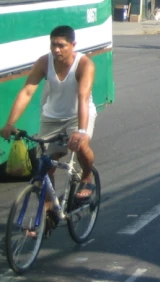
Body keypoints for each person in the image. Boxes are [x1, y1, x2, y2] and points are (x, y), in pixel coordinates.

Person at [1, 26, 97, 204]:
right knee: (44, 170)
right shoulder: (44, 62)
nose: (56, 50)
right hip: (51, 117)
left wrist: (81, 130)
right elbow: (27, 92)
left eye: (61, 45)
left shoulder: (84, 65)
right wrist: (9, 123)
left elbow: (83, 98)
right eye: (53, 45)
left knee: (81, 144)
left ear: (73, 44)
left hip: (78, 115)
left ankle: (86, 176)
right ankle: (45, 217)